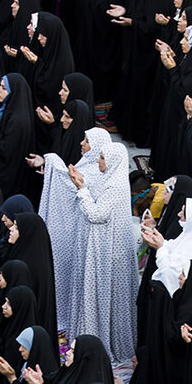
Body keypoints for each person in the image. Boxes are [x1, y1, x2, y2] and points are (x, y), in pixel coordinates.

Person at [38, 127, 138, 363]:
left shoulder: (115, 187)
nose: (99, 161)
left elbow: (96, 214)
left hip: (107, 256)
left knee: (100, 299)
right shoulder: (109, 180)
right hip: (99, 251)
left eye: (102, 157)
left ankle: (93, 347)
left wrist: (81, 189)